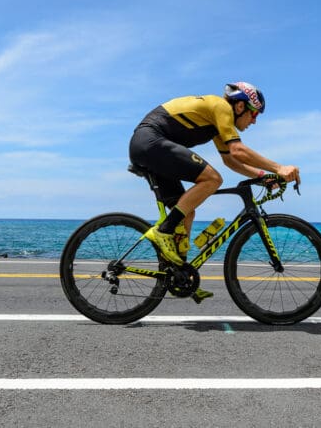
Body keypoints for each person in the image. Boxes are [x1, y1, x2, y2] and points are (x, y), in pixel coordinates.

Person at [128, 82, 301, 300]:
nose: (255, 121)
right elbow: (238, 150)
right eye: (254, 114)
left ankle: (180, 274)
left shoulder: (218, 121)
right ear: (240, 107)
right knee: (212, 178)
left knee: (187, 211)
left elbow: (231, 160)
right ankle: (163, 231)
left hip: (150, 146)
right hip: (151, 142)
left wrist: (261, 176)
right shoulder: (221, 107)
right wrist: (279, 168)